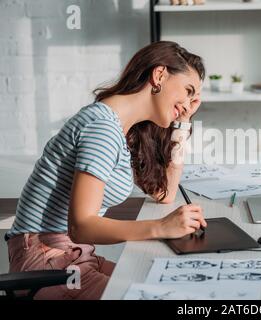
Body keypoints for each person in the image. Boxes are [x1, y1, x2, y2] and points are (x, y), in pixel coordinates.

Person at [6, 41, 207, 299]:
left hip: (74, 256)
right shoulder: (102, 128)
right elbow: (81, 226)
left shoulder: (122, 129)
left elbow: (163, 193)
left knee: (175, 285)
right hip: (47, 262)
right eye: (188, 91)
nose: (190, 103)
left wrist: (182, 124)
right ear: (159, 75)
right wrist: (160, 227)